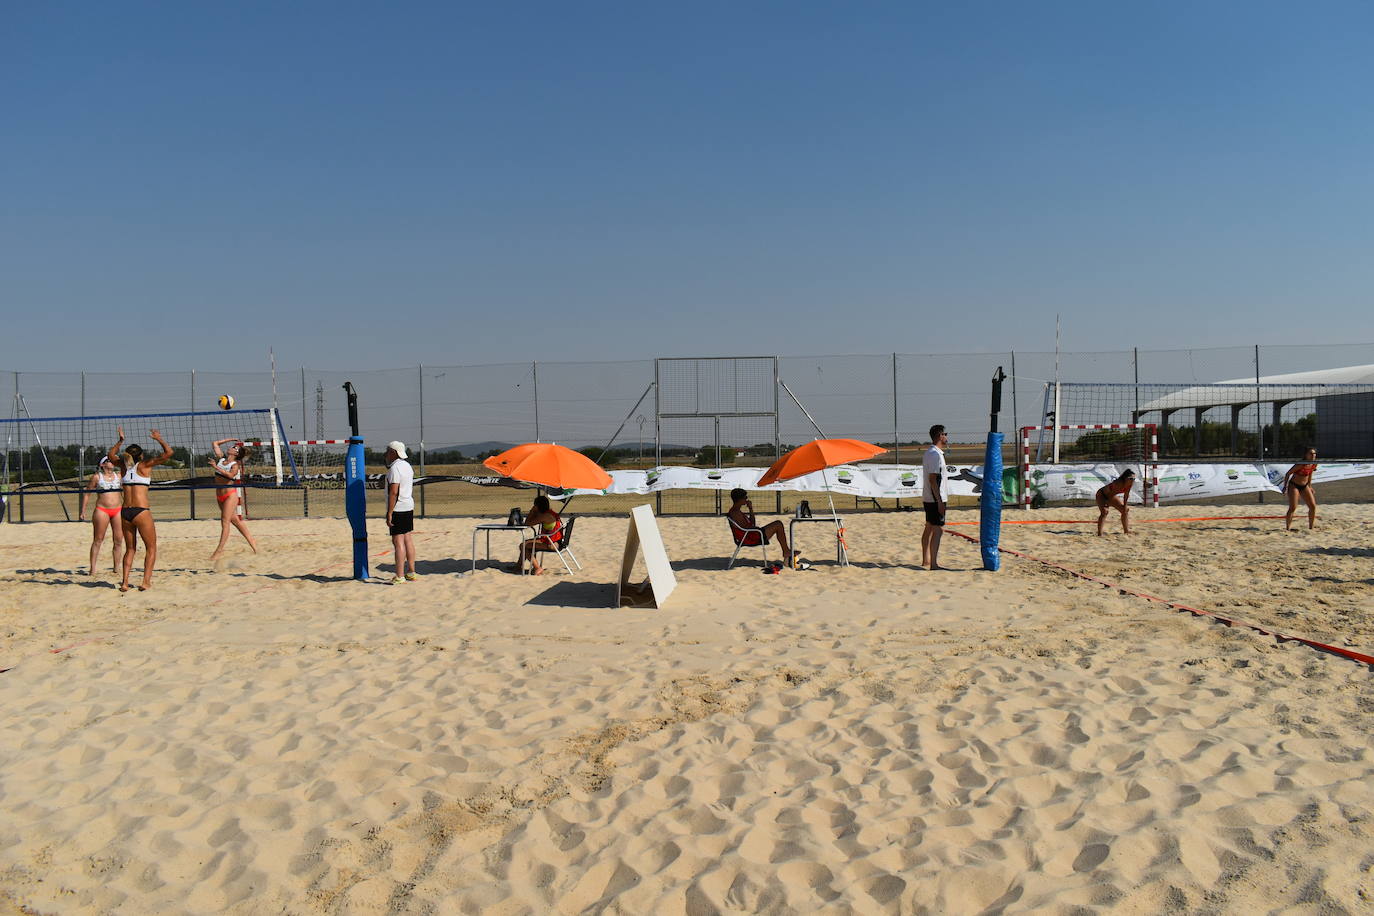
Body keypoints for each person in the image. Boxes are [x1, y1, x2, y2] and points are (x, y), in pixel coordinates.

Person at [114, 426, 174, 592]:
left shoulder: (123, 467)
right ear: (141, 455)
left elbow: (110, 456)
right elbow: (169, 453)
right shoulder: (145, 465)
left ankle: (125, 582)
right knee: (151, 548)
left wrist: (120, 441)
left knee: (130, 549)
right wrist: (159, 439)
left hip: (125, 512)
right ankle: (145, 582)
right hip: (141, 511)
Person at [727, 487, 804, 570]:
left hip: (751, 534)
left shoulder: (736, 511)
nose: (747, 499)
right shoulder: (735, 513)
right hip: (751, 537)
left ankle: (786, 551)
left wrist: (750, 509)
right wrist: (756, 527)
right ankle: (786, 551)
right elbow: (750, 526)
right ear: (740, 499)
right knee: (778, 524)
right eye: (745, 497)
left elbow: (752, 524)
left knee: (778, 524)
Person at [208, 439, 259, 560]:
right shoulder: (221, 459)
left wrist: (216, 467)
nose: (231, 447)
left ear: (236, 454)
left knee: (225, 522)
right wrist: (231, 439)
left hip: (230, 495)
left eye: (234, 447)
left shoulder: (234, 465)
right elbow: (215, 443)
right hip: (219, 494)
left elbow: (231, 476)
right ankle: (253, 543)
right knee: (236, 521)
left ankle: (219, 551)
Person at [78, 454, 125, 576]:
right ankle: (93, 569)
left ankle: (116, 568)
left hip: (118, 510)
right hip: (102, 510)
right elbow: (87, 494)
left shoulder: (119, 475)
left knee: (119, 540)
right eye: (109, 461)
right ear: (102, 464)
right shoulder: (97, 477)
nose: (112, 462)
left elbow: (125, 492)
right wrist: (83, 511)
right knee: (98, 540)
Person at [385, 440, 416, 582]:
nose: (386, 454)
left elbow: (394, 492)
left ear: (393, 452)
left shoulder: (395, 468)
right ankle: (411, 571)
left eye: (388, 451)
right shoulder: (407, 466)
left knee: (398, 541)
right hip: (408, 505)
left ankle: (400, 575)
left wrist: (390, 512)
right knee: (408, 539)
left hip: (399, 507)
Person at [921, 424, 948, 569]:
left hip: (929, 497)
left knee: (929, 527)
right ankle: (933, 564)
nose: (946, 437)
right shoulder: (935, 454)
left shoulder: (930, 452)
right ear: (940, 436)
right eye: (945, 434)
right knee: (938, 529)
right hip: (935, 498)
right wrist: (939, 501)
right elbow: (933, 479)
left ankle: (926, 560)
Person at [520, 494, 564, 575]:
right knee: (527, 543)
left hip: (551, 544)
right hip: (558, 542)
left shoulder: (544, 516)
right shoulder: (550, 513)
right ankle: (518, 565)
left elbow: (527, 524)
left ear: (537, 506)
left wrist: (532, 511)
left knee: (523, 545)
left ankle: (537, 567)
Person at [1282, 446, 1319, 531]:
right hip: (1294, 485)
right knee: (1293, 507)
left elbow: (1310, 474)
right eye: (1311, 453)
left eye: (1314, 453)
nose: (1313, 455)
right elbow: (1288, 474)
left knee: (1312, 506)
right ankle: (1287, 528)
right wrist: (1285, 486)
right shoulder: (1301, 464)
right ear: (1306, 455)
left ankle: (1311, 527)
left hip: (1304, 485)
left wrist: (1310, 486)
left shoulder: (1314, 463)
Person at [1095, 468, 1137, 537]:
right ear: (1125, 478)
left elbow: (1126, 495)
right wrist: (1106, 504)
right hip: (1102, 495)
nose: (1133, 480)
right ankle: (1100, 533)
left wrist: (1125, 505)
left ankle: (1126, 531)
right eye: (1131, 478)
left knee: (1125, 510)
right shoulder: (1118, 483)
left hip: (1111, 496)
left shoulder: (1130, 484)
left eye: (1134, 479)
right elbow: (1109, 494)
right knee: (1104, 512)